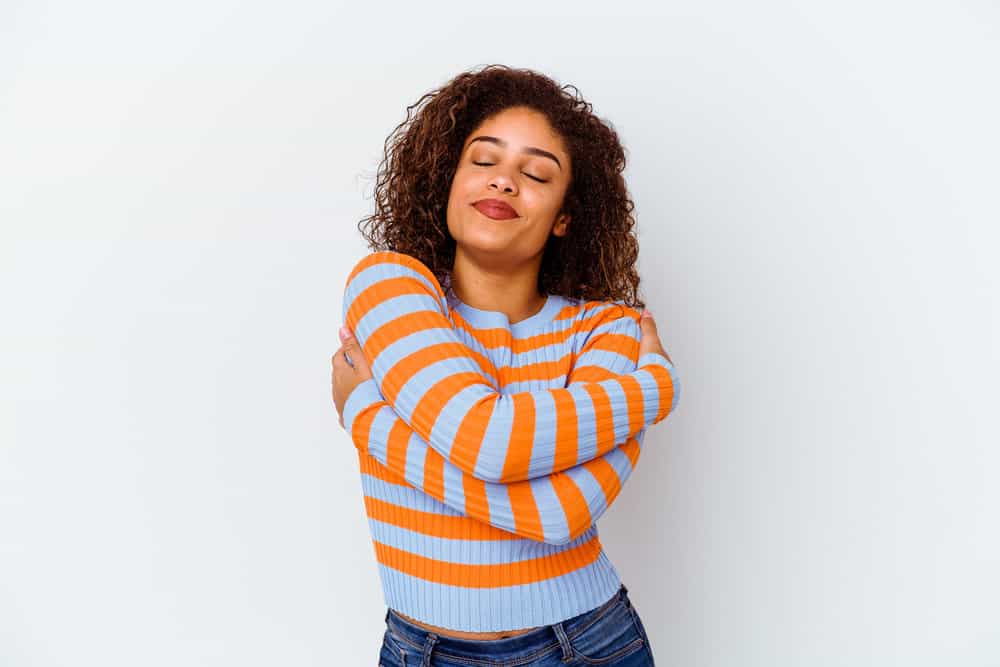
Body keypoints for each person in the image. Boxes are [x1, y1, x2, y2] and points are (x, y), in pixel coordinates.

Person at [330, 64, 680, 666]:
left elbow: (557, 511)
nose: (504, 183)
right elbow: (494, 446)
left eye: (536, 173)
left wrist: (366, 416)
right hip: (421, 650)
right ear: (448, 181)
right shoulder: (389, 287)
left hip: (588, 644)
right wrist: (651, 389)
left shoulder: (610, 330)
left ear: (566, 216)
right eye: (483, 161)